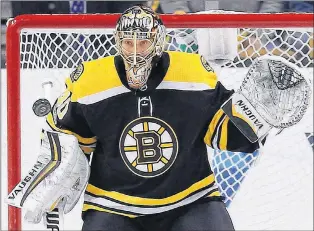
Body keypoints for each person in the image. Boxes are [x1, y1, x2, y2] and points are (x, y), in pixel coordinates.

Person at [7, 4, 310, 231]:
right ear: (117, 42)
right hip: (114, 204)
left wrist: (258, 120)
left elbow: (222, 134)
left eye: (143, 43)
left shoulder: (192, 74)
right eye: (128, 42)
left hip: (190, 199)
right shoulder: (91, 82)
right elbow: (65, 140)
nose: (135, 52)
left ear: (160, 41)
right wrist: (59, 168)